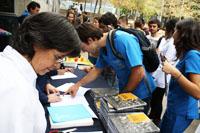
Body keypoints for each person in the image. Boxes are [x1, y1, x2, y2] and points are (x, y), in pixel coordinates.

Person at [0, 12, 80, 133]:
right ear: (38, 43)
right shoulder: (15, 90)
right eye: (57, 57)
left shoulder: (12, 69)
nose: (56, 65)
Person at [66, 23, 156, 113]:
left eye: (83, 47)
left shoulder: (123, 40)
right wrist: (78, 85)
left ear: (90, 40)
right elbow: (97, 70)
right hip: (126, 90)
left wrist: (123, 94)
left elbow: (139, 72)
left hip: (141, 93)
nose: (84, 51)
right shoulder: (103, 48)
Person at [160, 19, 200, 132]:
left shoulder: (193, 55)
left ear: (184, 34)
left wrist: (174, 72)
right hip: (174, 108)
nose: (173, 33)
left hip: (181, 112)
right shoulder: (186, 53)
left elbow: (197, 92)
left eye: (176, 30)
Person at [149, 19, 178, 126]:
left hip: (163, 75)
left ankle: (156, 120)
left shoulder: (173, 43)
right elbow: (158, 52)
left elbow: (167, 59)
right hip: (155, 72)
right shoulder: (164, 39)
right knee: (153, 97)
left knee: (158, 99)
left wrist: (159, 56)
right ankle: (152, 115)